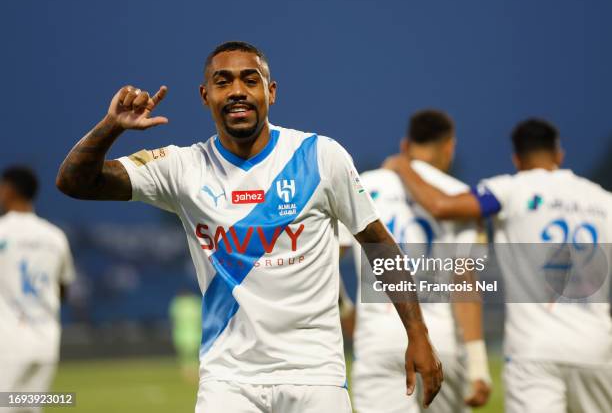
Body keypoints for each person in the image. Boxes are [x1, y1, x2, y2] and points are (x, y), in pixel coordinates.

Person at [56, 41, 443, 412]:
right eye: (223, 82)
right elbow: (74, 182)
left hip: (315, 375)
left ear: (271, 92)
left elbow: (381, 247)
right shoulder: (182, 167)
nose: (237, 91)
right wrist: (111, 126)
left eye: (250, 79)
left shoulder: (321, 157)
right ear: (205, 95)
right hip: (228, 380)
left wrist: (418, 335)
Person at [385, 118, 612, 413]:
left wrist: (404, 166)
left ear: (517, 159)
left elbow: (442, 206)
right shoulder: (604, 200)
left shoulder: (510, 189)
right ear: (559, 155)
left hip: (534, 352)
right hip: (598, 348)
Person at [340, 110, 491, 413]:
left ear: (405, 144)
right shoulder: (458, 195)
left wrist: (347, 314)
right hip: (441, 344)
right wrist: (478, 365)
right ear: (449, 146)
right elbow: (464, 284)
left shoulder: (365, 185)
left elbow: (326, 263)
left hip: (378, 340)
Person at [0, 166, 76, 412]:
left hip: (8, 339)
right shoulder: (55, 237)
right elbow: (63, 289)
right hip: (46, 340)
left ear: (9, 189)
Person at [169, 289, 202, 382]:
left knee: (186, 355)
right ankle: (194, 371)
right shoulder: (195, 303)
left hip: (181, 334)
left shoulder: (177, 303)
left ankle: (187, 371)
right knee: (195, 355)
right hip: (195, 333)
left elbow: (173, 319)